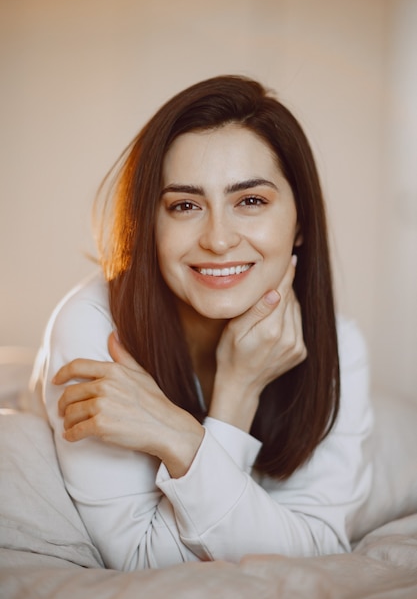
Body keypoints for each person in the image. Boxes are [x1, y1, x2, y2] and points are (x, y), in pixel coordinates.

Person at [36, 75, 373, 571]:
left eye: (250, 201)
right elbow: (143, 561)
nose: (218, 239)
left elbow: (321, 550)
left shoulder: (342, 345)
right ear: (150, 223)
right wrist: (233, 406)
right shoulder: (91, 329)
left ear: (300, 223)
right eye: (185, 206)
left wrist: (186, 436)